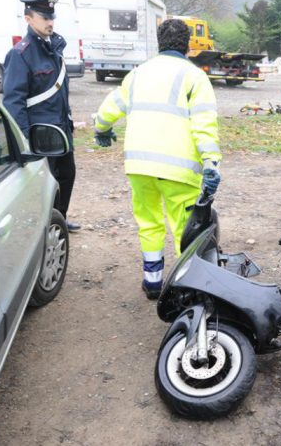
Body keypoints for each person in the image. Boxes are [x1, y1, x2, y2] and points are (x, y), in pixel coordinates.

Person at [94, 18, 221, 299]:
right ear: (187, 45)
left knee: (149, 222)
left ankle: (152, 282)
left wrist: (101, 129)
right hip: (179, 169)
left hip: (139, 166)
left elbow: (110, 108)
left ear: (159, 43)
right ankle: (186, 287)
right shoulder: (194, 77)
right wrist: (211, 161)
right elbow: (204, 124)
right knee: (183, 228)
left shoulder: (138, 74)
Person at [3, 0, 79, 231]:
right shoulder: (20, 54)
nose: (50, 22)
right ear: (28, 18)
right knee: (44, 185)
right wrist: (25, 140)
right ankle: (43, 227)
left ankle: (59, 219)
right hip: (39, 136)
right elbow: (14, 102)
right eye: (44, 17)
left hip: (60, 131)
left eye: (51, 17)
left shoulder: (54, 49)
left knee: (67, 176)